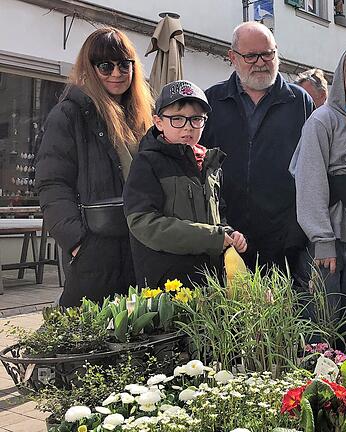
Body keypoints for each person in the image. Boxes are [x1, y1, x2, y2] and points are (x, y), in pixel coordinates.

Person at [36, 28, 154, 307]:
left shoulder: (143, 117)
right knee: (88, 336)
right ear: (89, 69)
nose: (117, 73)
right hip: (96, 249)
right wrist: (77, 243)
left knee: (138, 335)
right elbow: (52, 184)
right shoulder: (69, 115)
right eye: (105, 65)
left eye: (124, 64)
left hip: (141, 246)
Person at [202, 22, 313, 274]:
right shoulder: (211, 101)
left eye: (268, 54)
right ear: (232, 57)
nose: (261, 62)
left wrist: (297, 231)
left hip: (284, 239)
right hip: (228, 235)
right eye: (251, 56)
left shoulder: (299, 102)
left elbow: (312, 166)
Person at [291, 46, 346, 331]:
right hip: (326, 243)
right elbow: (309, 181)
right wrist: (322, 239)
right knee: (322, 326)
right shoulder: (322, 121)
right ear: (342, 81)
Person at [124, 80, 247, 290]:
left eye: (196, 119)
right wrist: (212, 237)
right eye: (177, 119)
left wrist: (229, 233)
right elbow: (144, 223)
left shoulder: (210, 162)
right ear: (158, 122)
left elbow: (219, 215)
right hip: (167, 285)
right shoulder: (147, 163)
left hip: (210, 282)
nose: (188, 127)